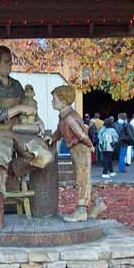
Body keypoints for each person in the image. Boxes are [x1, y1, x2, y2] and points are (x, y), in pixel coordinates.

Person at [0, 45, 52, 229]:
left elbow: (28, 107)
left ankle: (13, 169)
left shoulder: (16, 85)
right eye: (7, 62)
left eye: (11, 61)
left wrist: (38, 120)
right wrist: (19, 108)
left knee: (45, 156)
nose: (11, 65)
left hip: (20, 130)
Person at [46, 85, 97, 222]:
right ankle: (98, 203)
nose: (52, 101)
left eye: (54, 98)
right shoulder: (63, 117)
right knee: (81, 178)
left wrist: (90, 146)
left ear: (63, 101)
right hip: (75, 150)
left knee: (82, 179)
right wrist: (53, 138)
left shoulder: (70, 118)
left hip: (80, 149)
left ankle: (81, 210)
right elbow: (59, 131)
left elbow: (81, 135)